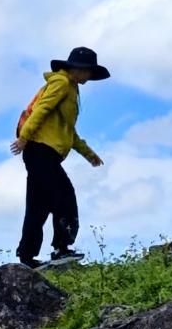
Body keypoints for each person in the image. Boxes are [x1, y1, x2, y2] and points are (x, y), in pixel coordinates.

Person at [10, 47, 110, 268]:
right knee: (64, 196)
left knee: (38, 205)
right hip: (40, 150)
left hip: (43, 153)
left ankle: (27, 257)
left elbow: (68, 131)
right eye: (88, 72)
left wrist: (89, 154)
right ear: (77, 69)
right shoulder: (62, 83)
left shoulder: (71, 87)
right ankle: (62, 248)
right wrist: (24, 137)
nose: (89, 77)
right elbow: (41, 109)